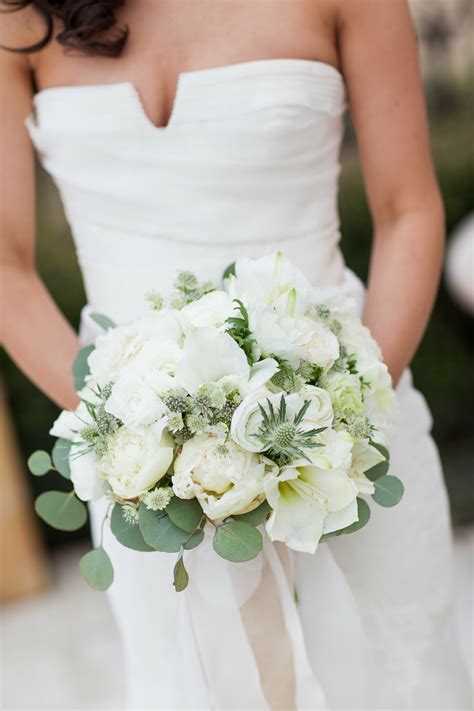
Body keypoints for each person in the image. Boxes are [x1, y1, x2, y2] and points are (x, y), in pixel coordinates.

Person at [1, 1, 471, 708]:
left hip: (353, 443)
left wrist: (340, 426)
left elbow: (409, 209)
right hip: (145, 482)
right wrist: (135, 437)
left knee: (398, 678)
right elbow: (4, 264)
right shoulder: (21, 17)